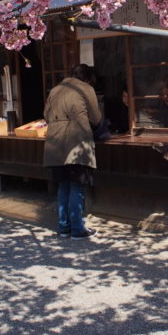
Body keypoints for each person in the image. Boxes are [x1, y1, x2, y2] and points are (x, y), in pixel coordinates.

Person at [43, 63, 102, 240]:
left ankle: (64, 227)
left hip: (55, 142)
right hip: (76, 141)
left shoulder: (55, 90)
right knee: (76, 185)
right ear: (87, 78)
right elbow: (96, 118)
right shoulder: (86, 89)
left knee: (63, 185)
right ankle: (77, 228)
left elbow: (46, 115)